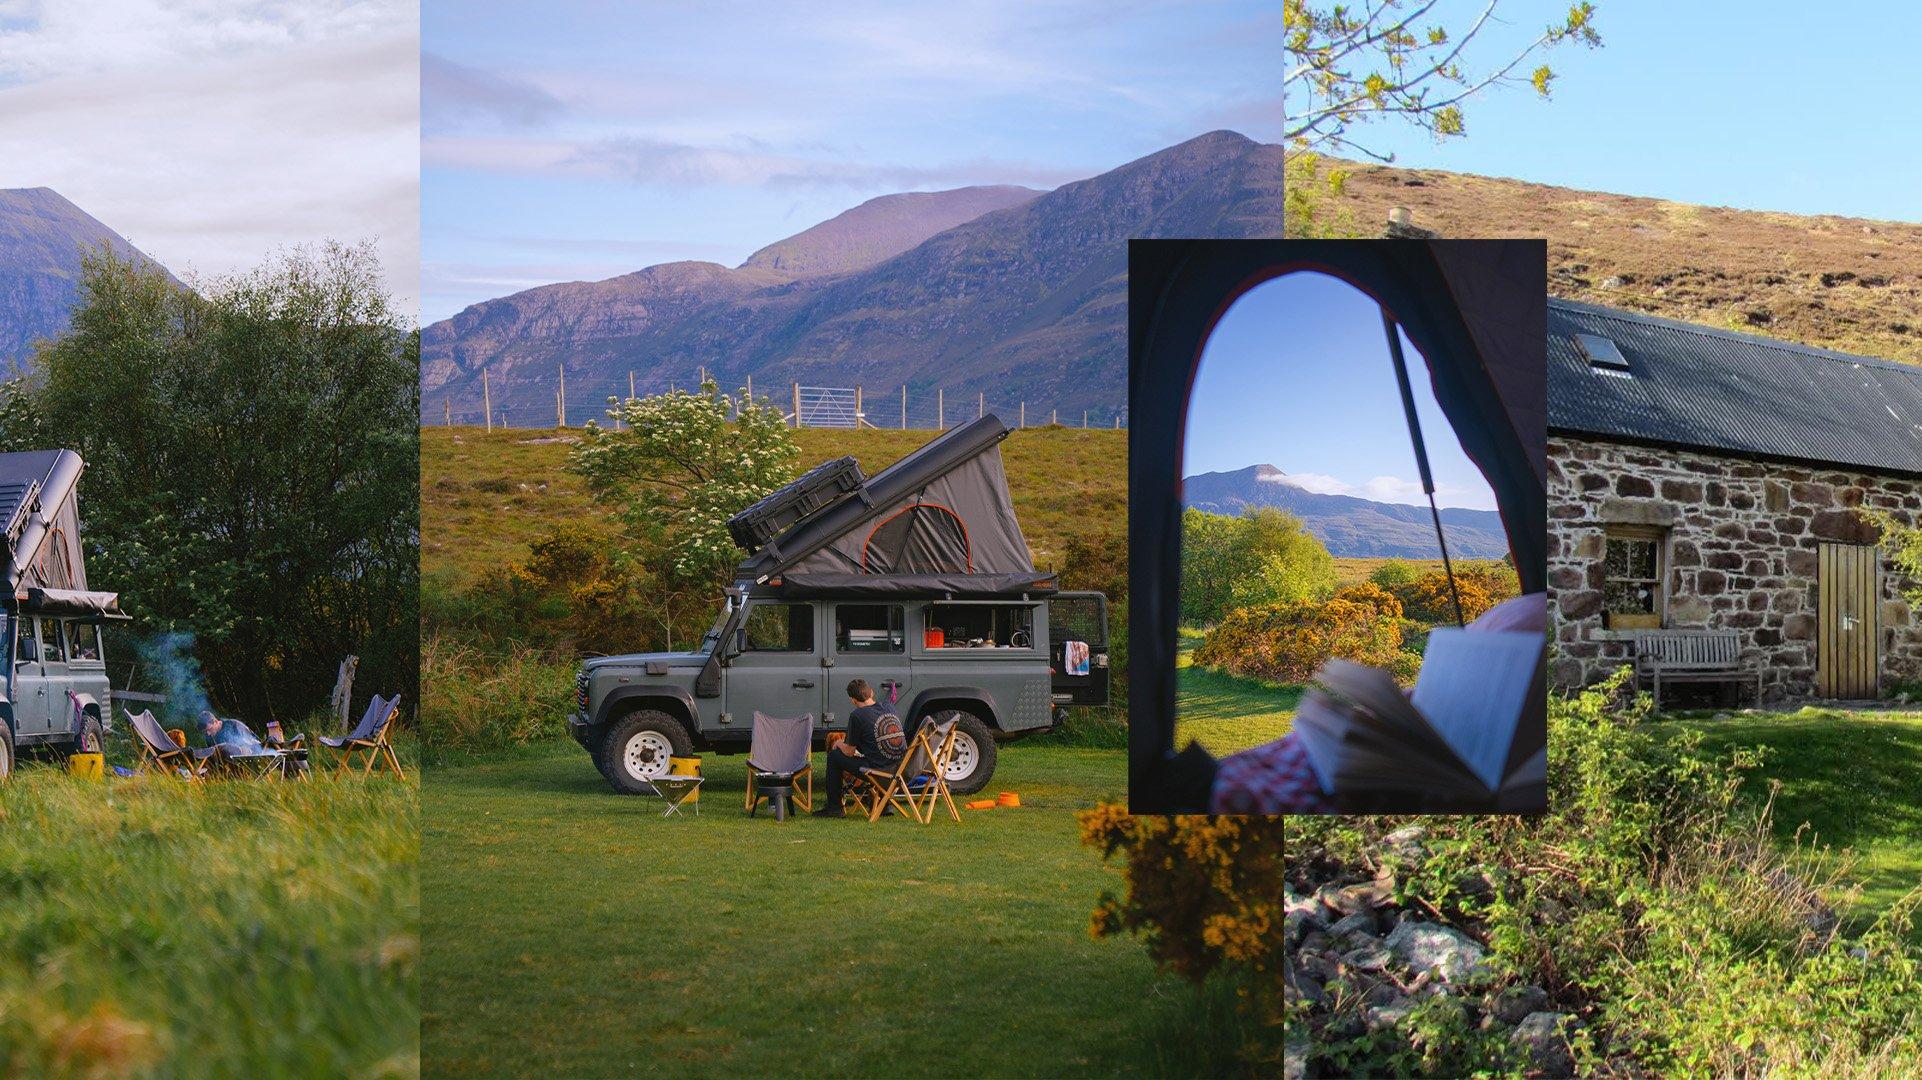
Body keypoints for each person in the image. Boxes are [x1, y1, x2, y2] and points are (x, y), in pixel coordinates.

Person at [813, 678, 907, 817]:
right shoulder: (889, 707)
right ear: (872, 692)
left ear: (853, 700)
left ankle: (834, 808)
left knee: (834, 757)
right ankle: (884, 806)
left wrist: (838, 743)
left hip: (879, 772)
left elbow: (849, 752)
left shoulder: (858, 715)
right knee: (880, 754)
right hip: (901, 769)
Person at [200, 710, 268, 755]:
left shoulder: (233, 724)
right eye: (205, 731)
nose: (208, 733)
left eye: (209, 729)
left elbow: (253, 743)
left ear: (216, 722)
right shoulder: (208, 736)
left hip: (251, 755)